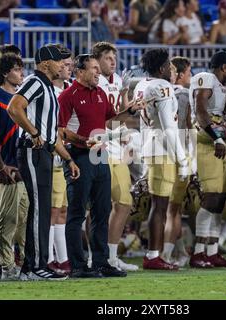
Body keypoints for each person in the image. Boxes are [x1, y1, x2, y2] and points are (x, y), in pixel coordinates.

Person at [58, 54, 143, 278]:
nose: (98, 72)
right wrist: (80, 141)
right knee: (77, 213)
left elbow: (110, 120)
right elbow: (60, 130)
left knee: (102, 211)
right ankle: (77, 266)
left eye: (98, 68)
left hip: (101, 155)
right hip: (79, 155)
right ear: (80, 72)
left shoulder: (100, 93)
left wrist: (130, 111)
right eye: (93, 68)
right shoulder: (69, 95)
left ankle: (101, 262)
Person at [7, 45, 80, 281]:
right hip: (32, 151)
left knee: (42, 209)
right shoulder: (36, 82)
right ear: (45, 63)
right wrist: (33, 131)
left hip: (45, 152)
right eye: (59, 61)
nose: (63, 65)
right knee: (39, 209)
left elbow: (50, 135)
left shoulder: (47, 86)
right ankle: (37, 265)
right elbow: (14, 108)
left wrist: (68, 158)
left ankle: (32, 266)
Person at [132, 49, 189, 270]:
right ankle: (154, 255)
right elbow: (169, 127)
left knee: (159, 205)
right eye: (168, 65)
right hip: (163, 149)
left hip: (150, 147)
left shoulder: (141, 85)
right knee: (161, 205)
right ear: (161, 68)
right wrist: (182, 160)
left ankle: (154, 254)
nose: (171, 69)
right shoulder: (161, 86)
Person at [188, 51, 226, 269]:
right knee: (211, 197)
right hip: (209, 141)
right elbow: (201, 110)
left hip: (223, 141)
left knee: (220, 198)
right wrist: (217, 137)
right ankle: (199, 252)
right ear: (224, 68)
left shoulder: (224, 89)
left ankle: (212, 251)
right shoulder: (207, 78)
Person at [91, 42, 139, 272]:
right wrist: (117, 128)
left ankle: (110, 256)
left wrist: (125, 93)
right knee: (96, 206)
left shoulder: (117, 80)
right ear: (97, 60)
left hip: (115, 148)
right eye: (108, 58)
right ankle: (93, 256)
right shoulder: (92, 81)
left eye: (114, 58)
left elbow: (119, 115)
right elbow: (97, 120)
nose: (113, 62)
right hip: (97, 146)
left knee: (123, 202)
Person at [0, 53, 29, 280]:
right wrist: (0, 167)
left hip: (24, 169)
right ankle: (7, 267)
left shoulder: (23, 99)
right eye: (16, 69)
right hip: (9, 170)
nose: (21, 73)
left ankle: (24, 266)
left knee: (24, 221)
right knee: (8, 220)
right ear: (4, 73)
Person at [160, 56, 193, 266]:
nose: (191, 76)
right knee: (173, 209)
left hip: (158, 151)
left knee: (167, 208)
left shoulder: (158, 91)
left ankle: (178, 252)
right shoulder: (181, 95)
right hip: (177, 152)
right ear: (179, 75)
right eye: (189, 72)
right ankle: (166, 255)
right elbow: (185, 126)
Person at [47, 44, 73, 276]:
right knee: (52, 210)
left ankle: (63, 259)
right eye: (64, 64)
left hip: (66, 154)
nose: (68, 68)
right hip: (52, 153)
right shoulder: (46, 90)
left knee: (62, 209)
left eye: (69, 64)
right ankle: (48, 259)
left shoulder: (71, 89)